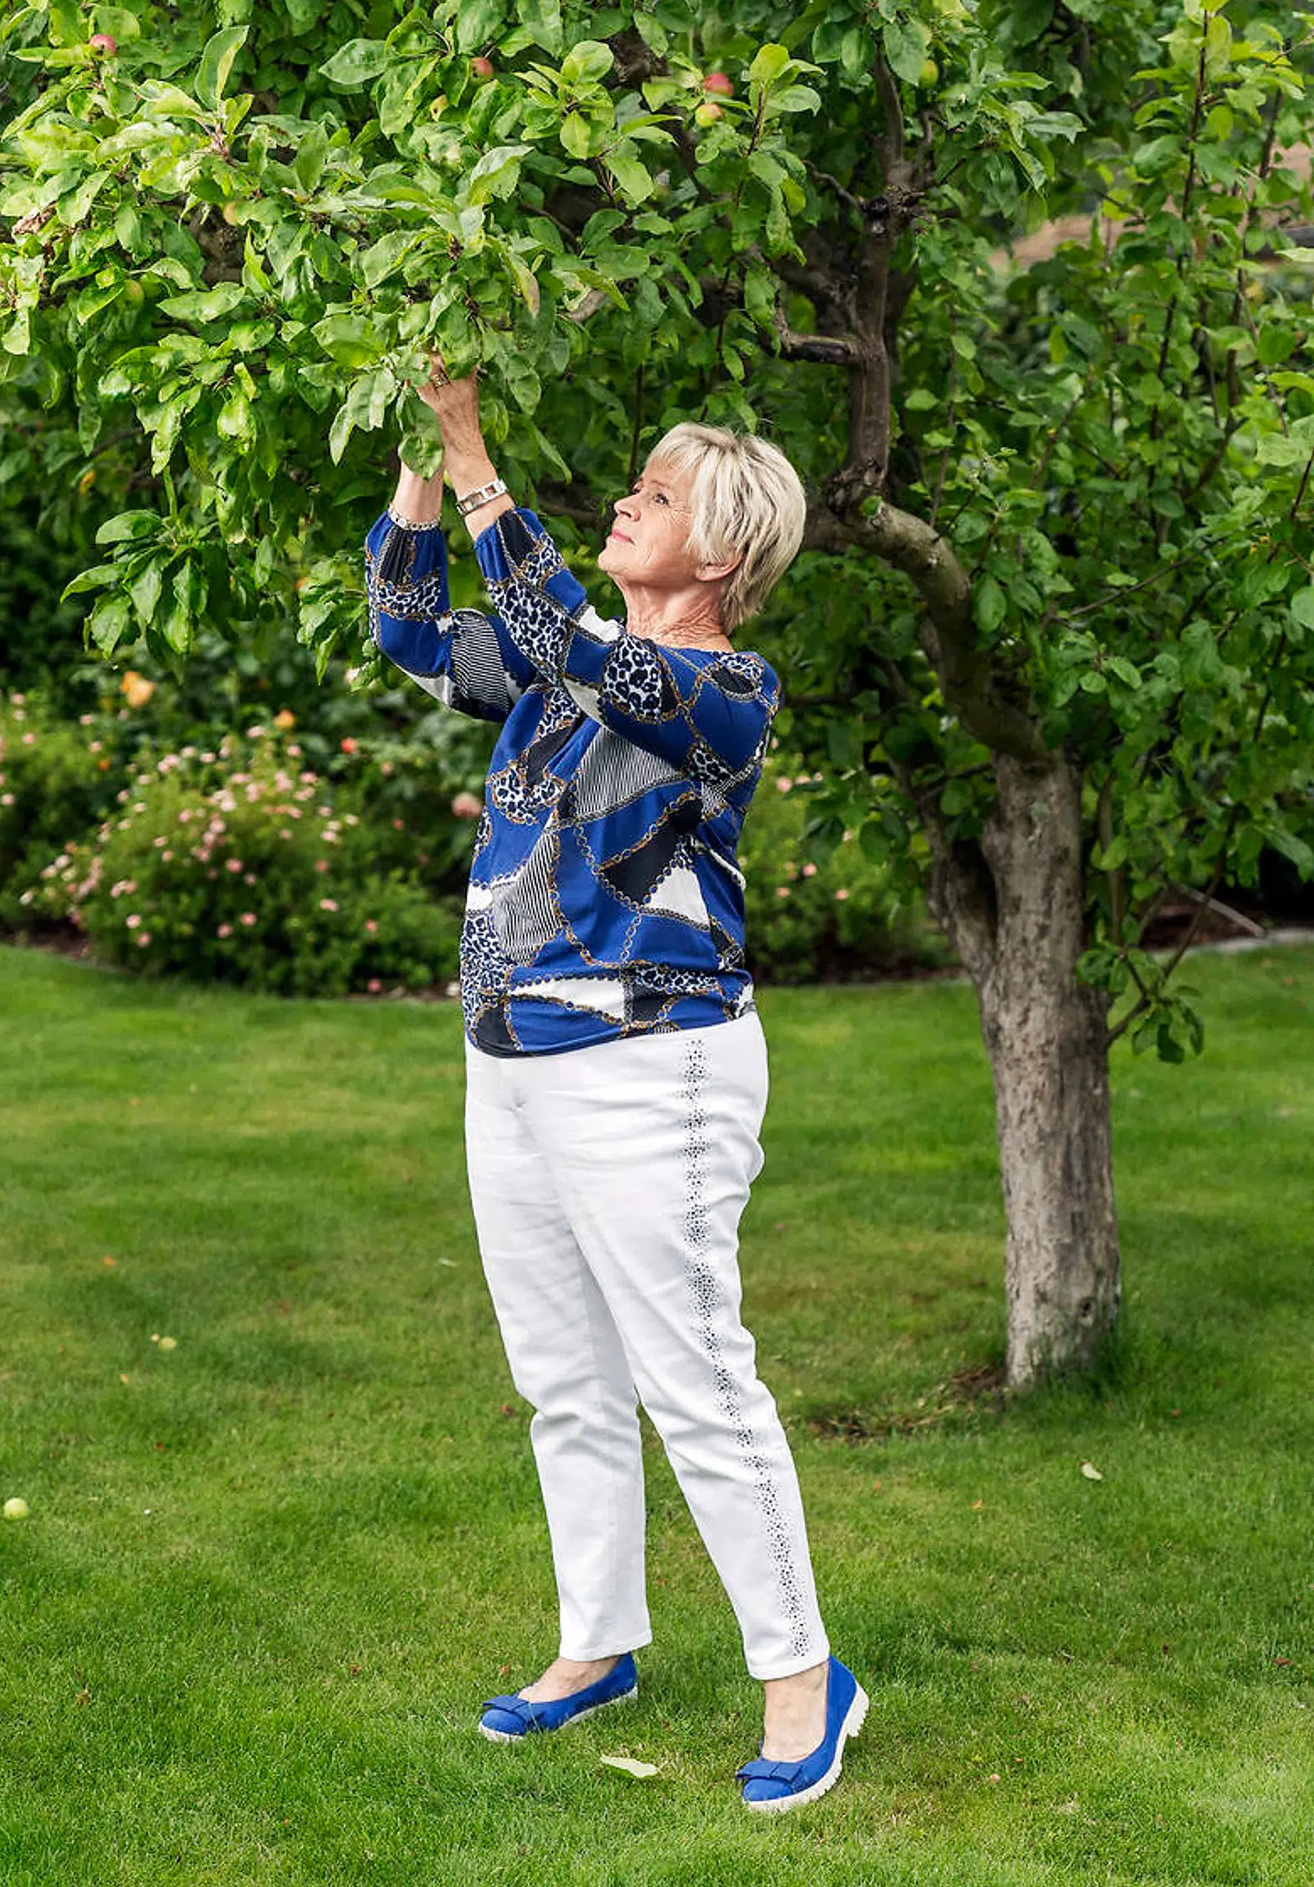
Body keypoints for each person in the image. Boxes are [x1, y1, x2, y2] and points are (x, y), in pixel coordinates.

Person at [361, 355, 868, 1814]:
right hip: (509, 1059)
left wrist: (475, 454)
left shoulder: (720, 689)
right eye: (635, 485)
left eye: (662, 495)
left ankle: (803, 1678)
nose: (630, 503)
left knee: (695, 1381)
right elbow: (408, 630)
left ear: (725, 552)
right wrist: (415, 448)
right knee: (561, 1383)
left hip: (657, 1066)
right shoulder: (560, 656)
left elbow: (569, 646)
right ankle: (600, 1646)